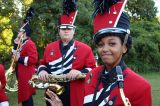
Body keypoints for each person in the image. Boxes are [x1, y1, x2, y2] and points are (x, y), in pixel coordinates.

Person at [83, 0, 152, 106]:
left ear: (124, 47)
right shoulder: (90, 76)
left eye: (112, 44)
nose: (104, 49)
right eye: (101, 44)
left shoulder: (141, 86)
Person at [37, 1, 96, 106]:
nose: (66, 31)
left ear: (74, 31)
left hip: (74, 91)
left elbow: (93, 69)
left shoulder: (85, 49)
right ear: (59, 31)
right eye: (63, 28)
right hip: (53, 89)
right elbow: (43, 63)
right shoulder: (49, 47)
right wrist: (42, 70)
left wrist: (79, 72)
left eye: (69, 29)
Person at [12, 23, 38, 106]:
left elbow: (33, 59)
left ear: (24, 33)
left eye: (20, 31)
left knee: (26, 96)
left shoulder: (30, 43)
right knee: (24, 95)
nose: (18, 33)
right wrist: (15, 43)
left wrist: (19, 59)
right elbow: (13, 54)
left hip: (26, 73)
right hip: (21, 72)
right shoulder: (22, 42)